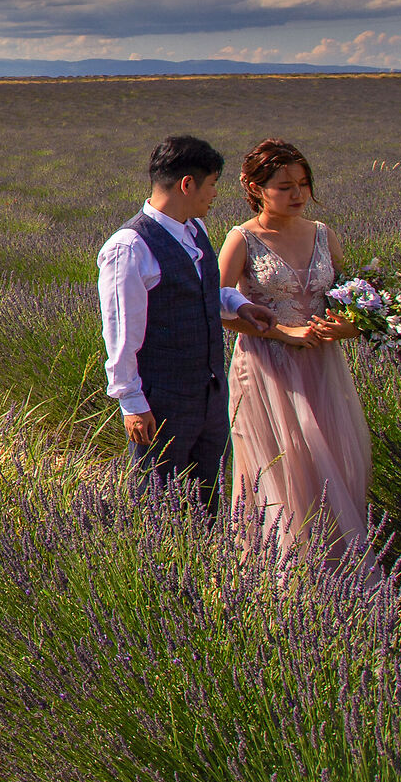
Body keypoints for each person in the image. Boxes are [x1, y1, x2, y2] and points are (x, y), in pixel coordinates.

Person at [97, 136, 276, 505]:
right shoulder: (130, 246)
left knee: (208, 500)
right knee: (159, 503)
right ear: (187, 184)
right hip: (162, 401)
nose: (215, 194)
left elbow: (203, 291)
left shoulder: (195, 230)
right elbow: (120, 334)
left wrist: (240, 305)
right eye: (212, 184)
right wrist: (131, 403)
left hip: (209, 394)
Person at [219, 139, 374, 555]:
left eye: (303, 184)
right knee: (280, 464)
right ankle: (282, 568)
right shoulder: (242, 239)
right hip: (266, 366)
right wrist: (284, 333)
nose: (298, 194)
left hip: (322, 365)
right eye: (285, 186)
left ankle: (334, 561)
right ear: (256, 188)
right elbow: (216, 309)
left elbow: (351, 300)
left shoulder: (323, 234)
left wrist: (349, 328)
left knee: (330, 460)